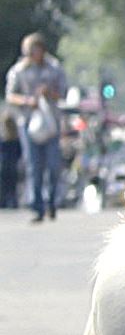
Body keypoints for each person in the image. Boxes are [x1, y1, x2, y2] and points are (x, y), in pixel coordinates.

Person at [5, 34, 68, 223]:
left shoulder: (54, 68)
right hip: (28, 122)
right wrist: (27, 100)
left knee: (53, 164)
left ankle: (52, 202)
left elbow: (63, 93)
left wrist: (49, 93)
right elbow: (10, 95)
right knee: (33, 164)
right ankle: (37, 205)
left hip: (51, 122)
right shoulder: (19, 71)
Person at [0, 109, 19, 211]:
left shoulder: (14, 139)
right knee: (8, 183)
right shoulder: (5, 139)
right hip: (8, 164)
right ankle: (8, 201)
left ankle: (9, 201)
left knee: (8, 182)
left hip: (8, 164)